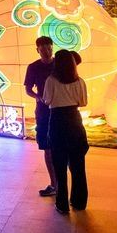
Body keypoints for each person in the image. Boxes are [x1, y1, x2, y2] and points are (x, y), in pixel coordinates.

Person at [43, 49, 90, 214]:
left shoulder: (51, 80)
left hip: (57, 120)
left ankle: (62, 204)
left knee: (59, 165)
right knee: (78, 165)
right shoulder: (79, 81)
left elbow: (47, 100)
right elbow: (83, 102)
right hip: (74, 120)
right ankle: (79, 202)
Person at [24, 35, 59, 197]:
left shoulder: (60, 64)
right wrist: (38, 97)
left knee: (60, 147)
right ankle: (54, 183)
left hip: (59, 109)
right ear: (37, 50)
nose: (47, 51)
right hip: (43, 111)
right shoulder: (33, 67)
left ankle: (60, 183)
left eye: (49, 48)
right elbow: (28, 89)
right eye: (43, 48)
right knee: (47, 147)